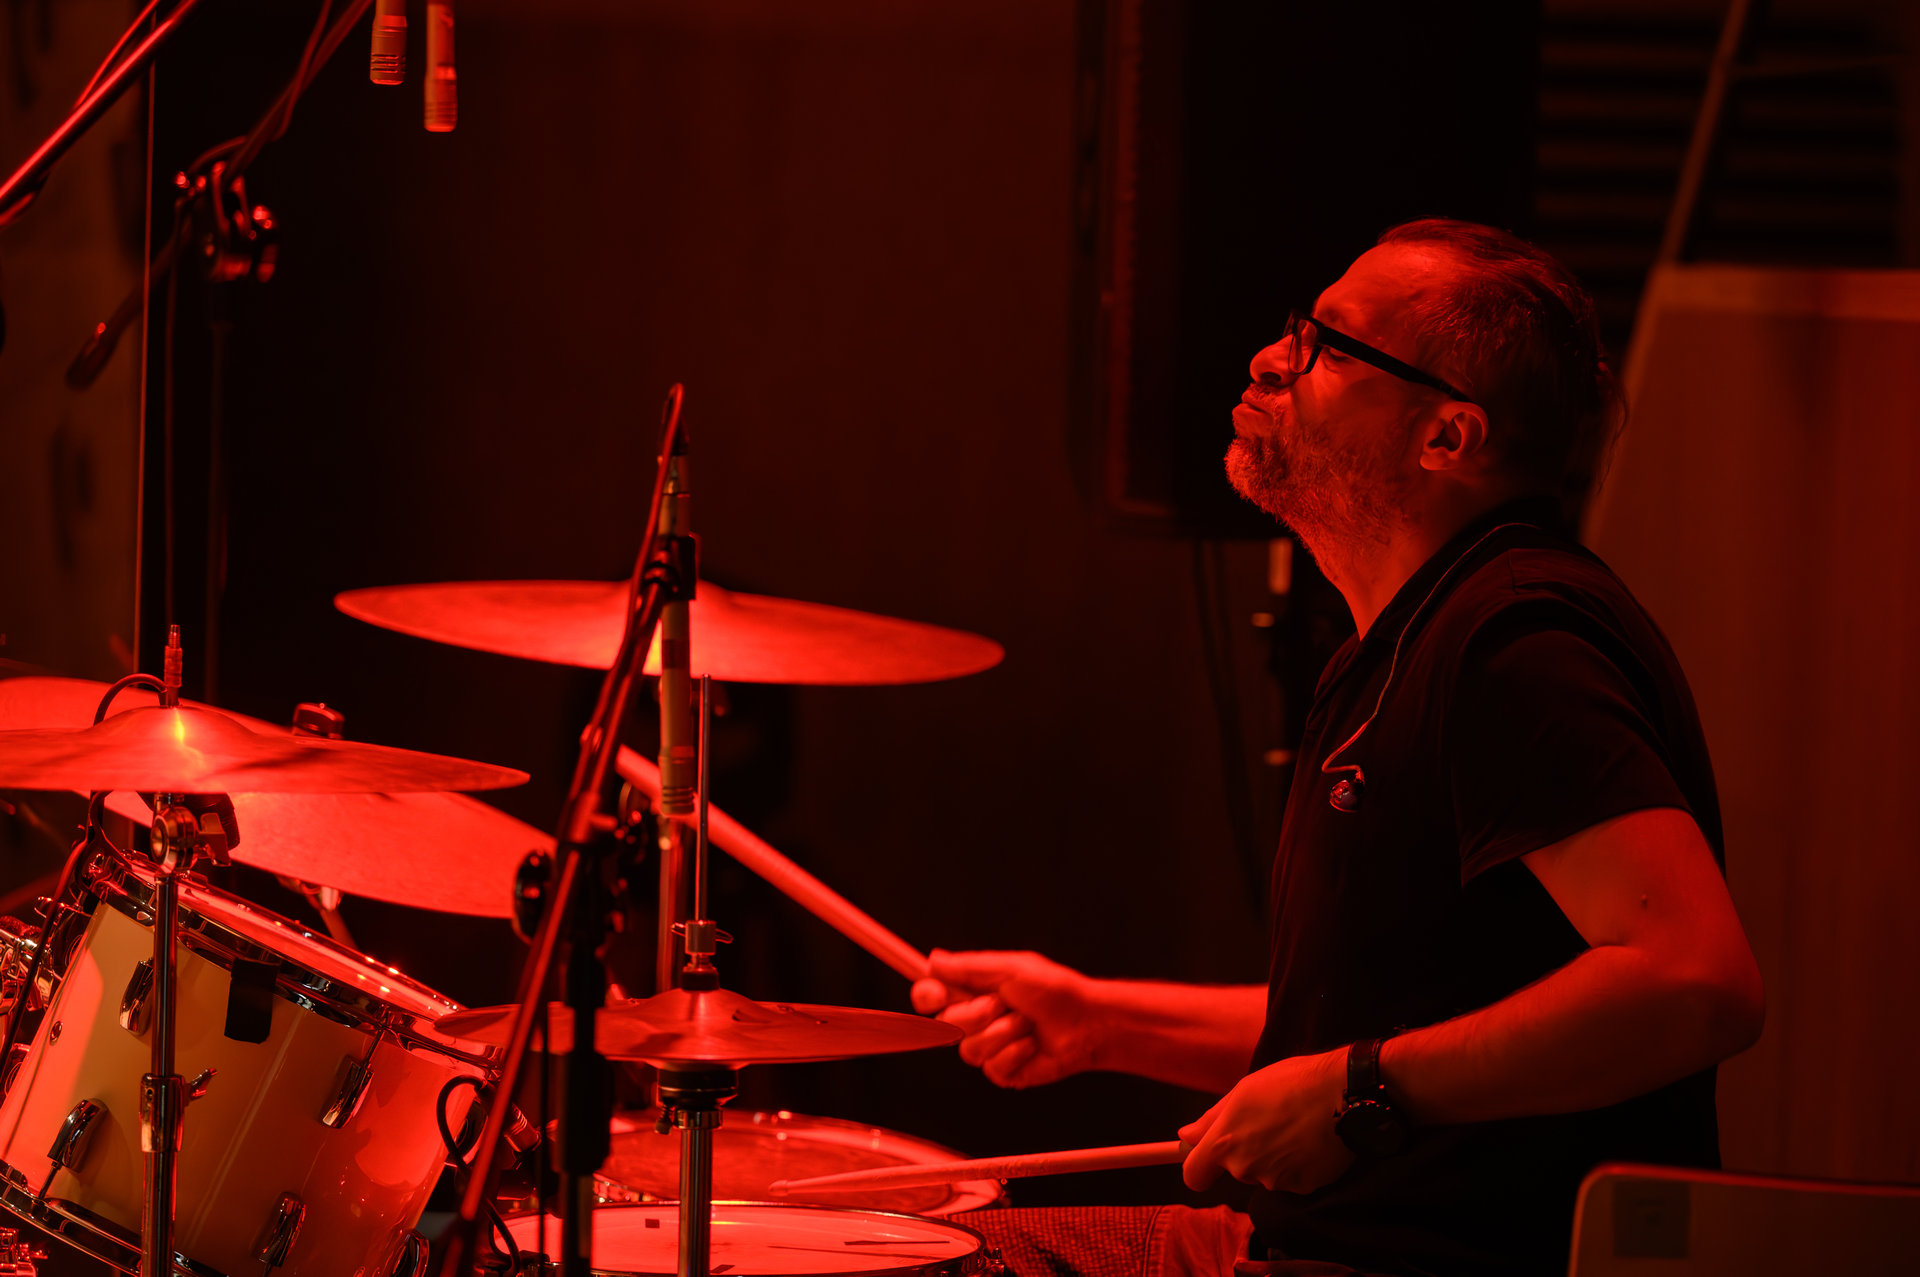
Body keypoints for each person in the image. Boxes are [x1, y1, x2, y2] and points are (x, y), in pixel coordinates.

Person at [914, 219, 1765, 1277]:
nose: (1271, 358)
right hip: (1293, 1242)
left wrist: (1359, 1091)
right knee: (913, 1244)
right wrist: (1100, 1020)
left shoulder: (1514, 641)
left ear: (1446, 435)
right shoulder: (1397, 643)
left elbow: (1695, 981)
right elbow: (1377, 1027)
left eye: (1327, 345)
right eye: (1294, 329)